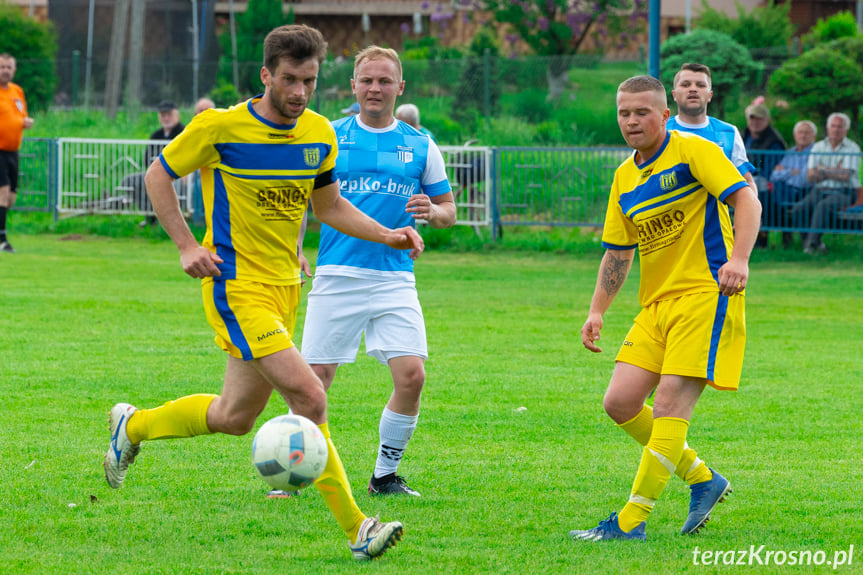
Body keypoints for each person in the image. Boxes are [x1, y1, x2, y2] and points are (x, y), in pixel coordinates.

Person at [102, 25, 422, 561]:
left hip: (284, 289)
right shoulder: (219, 127)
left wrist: (388, 233)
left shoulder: (320, 132)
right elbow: (158, 176)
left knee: (235, 417)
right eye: (291, 80)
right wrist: (185, 245)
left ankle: (132, 426)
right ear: (266, 75)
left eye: (310, 81)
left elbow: (328, 208)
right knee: (310, 396)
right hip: (235, 287)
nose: (300, 92)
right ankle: (359, 529)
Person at [570, 75, 761, 542]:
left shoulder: (695, 151)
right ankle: (702, 479)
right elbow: (618, 252)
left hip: (706, 296)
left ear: (663, 114)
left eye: (641, 112)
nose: (631, 121)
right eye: (623, 113)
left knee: (672, 408)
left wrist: (739, 260)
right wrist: (597, 311)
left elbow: (747, 200)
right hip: (656, 306)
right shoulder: (624, 177)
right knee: (619, 402)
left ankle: (630, 523)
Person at [301, 46, 455, 497]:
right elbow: (303, 202)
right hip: (337, 275)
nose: (375, 88)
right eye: (367, 80)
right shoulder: (327, 136)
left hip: (394, 279)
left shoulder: (420, 145)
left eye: (385, 81)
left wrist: (434, 211)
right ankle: (294, 474)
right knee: (313, 383)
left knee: (412, 376)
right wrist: (296, 250)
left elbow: (449, 210)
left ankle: (384, 476)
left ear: (399, 87)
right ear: (353, 85)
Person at [666, 63, 757, 191]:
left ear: (710, 95)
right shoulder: (660, 130)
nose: (693, 89)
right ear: (674, 95)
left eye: (701, 85)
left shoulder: (729, 133)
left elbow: (747, 182)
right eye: (686, 85)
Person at [791, 112, 861, 254]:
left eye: (839, 127)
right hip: (819, 189)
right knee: (799, 208)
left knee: (823, 206)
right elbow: (810, 175)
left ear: (845, 130)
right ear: (828, 128)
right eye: (833, 126)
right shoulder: (818, 147)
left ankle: (811, 246)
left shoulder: (853, 148)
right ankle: (811, 244)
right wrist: (836, 171)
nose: (836, 129)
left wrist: (822, 169)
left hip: (845, 191)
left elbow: (846, 176)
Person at [120, 100, 186, 226]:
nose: (166, 118)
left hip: (178, 175)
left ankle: (173, 222)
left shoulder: (184, 133)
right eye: (163, 115)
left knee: (173, 187)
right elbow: (146, 160)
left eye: (169, 114)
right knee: (131, 181)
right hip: (157, 172)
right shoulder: (156, 135)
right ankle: (150, 215)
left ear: (177, 115)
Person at [0, 53, 35, 253]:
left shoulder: (17, 91)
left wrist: (25, 122)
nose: (5, 70)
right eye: (2, 67)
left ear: (14, 69)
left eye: (8, 67)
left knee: (10, 197)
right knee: (2, 193)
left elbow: (20, 115)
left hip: (13, 151)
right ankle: (2, 240)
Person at [768, 120, 817, 248]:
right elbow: (774, 176)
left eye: (807, 132)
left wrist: (785, 172)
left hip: (806, 191)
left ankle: (800, 243)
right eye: (800, 132)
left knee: (783, 200)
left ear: (814, 136)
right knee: (774, 196)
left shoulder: (816, 152)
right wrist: (792, 172)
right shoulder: (790, 152)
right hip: (788, 192)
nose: (803, 135)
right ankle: (784, 242)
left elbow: (804, 179)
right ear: (795, 135)